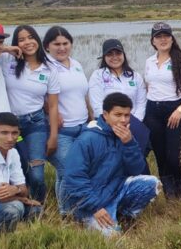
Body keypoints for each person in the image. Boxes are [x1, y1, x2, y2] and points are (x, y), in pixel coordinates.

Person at [60, 92, 159, 236]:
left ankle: (124, 214)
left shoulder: (126, 136)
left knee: (152, 183)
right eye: (118, 115)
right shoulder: (87, 139)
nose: (123, 120)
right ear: (105, 115)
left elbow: (137, 170)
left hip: (115, 191)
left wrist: (129, 144)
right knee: (114, 239)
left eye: (126, 115)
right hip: (90, 203)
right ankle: (84, 219)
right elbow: (74, 178)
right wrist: (95, 207)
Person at [0, 24, 60, 203]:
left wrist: (54, 136)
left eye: (31, 37)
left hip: (36, 124)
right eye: (21, 39)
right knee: (14, 169)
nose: (27, 42)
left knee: (36, 175)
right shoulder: (6, 61)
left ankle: (37, 208)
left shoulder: (49, 68)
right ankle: (19, 207)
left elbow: (53, 106)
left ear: (38, 40)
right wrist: (6, 49)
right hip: (11, 126)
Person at [143, 22, 181, 199]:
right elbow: (149, 86)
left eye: (166, 36)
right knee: (160, 156)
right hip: (153, 111)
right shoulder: (149, 61)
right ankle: (169, 194)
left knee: (174, 157)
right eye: (158, 37)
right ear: (153, 41)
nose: (163, 40)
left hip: (175, 110)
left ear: (172, 38)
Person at [43, 25, 94, 210]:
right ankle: (66, 212)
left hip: (81, 127)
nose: (62, 47)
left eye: (65, 43)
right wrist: (49, 111)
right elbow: (37, 94)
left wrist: (90, 115)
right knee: (68, 171)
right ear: (47, 46)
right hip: (61, 131)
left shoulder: (76, 64)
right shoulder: (45, 66)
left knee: (64, 173)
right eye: (56, 44)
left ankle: (70, 206)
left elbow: (83, 93)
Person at [88, 39, 147, 123]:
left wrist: (134, 122)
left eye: (118, 53)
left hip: (132, 123)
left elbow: (141, 103)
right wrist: (113, 123)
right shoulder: (97, 76)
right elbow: (97, 105)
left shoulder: (136, 76)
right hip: (107, 124)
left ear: (123, 55)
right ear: (104, 57)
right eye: (110, 54)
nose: (114, 57)